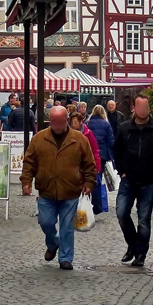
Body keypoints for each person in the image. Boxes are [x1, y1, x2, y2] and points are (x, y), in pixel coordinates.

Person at [21, 105, 97, 270]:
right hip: (46, 190)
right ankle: (53, 243)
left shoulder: (79, 139)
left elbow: (89, 164)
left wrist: (89, 183)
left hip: (70, 190)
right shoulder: (39, 139)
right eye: (54, 122)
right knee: (45, 222)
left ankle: (65, 258)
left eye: (60, 122)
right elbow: (29, 162)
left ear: (67, 120)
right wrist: (26, 181)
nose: (57, 125)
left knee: (67, 227)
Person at [113, 94, 153, 267]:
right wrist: (121, 170)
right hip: (128, 179)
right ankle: (133, 244)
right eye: (140, 107)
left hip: (148, 181)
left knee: (144, 219)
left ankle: (140, 254)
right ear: (134, 108)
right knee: (122, 213)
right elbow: (116, 150)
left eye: (146, 107)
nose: (143, 110)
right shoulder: (125, 128)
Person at [69, 111, 103, 213]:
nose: (73, 124)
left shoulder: (88, 133)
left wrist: (97, 166)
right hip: (73, 166)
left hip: (86, 164)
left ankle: (91, 208)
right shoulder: (67, 133)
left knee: (91, 186)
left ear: (80, 122)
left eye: (75, 122)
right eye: (72, 122)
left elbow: (95, 150)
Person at [86, 105, 115, 212]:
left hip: (88, 153)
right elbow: (111, 141)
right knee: (98, 177)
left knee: (87, 177)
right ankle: (97, 205)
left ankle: (87, 200)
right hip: (101, 154)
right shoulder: (106, 124)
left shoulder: (87, 123)